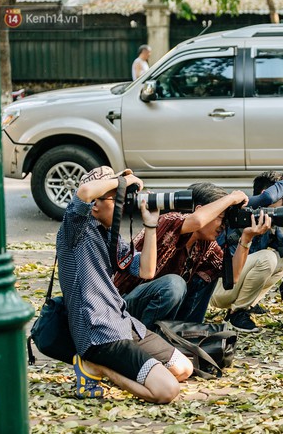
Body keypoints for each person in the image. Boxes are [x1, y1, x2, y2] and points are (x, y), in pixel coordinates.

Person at [56, 166, 193, 402]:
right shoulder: (75, 227)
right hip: (98, 331)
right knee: (167, 391)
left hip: (123, 323)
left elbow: (147, 271)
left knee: (183, 368)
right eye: (117, 198)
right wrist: (123, 180)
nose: (123, 204)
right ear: (95, 205)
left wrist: (151, 225)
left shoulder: (109, 235)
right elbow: (86, 191)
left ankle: (114, 366)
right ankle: (96, 366)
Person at [115, 182, 271, 326]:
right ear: (200, 210)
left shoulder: (205, 244)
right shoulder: (169, 220)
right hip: (123, 307)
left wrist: (246, 238)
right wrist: (231, 198)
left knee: (207, 276)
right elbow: (196, 221)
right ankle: (148, 337)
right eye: (221, 218)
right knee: (174, 284)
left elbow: (233, 277)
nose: (223, 226)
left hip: (155, 309)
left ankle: (186, 331)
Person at [210, 172, 283, 332]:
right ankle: (237, 314)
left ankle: (245, 305)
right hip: (217, 288)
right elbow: (266, 199)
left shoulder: (267, 224)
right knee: (267, 258)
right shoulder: (240, 210)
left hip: (231, 284)